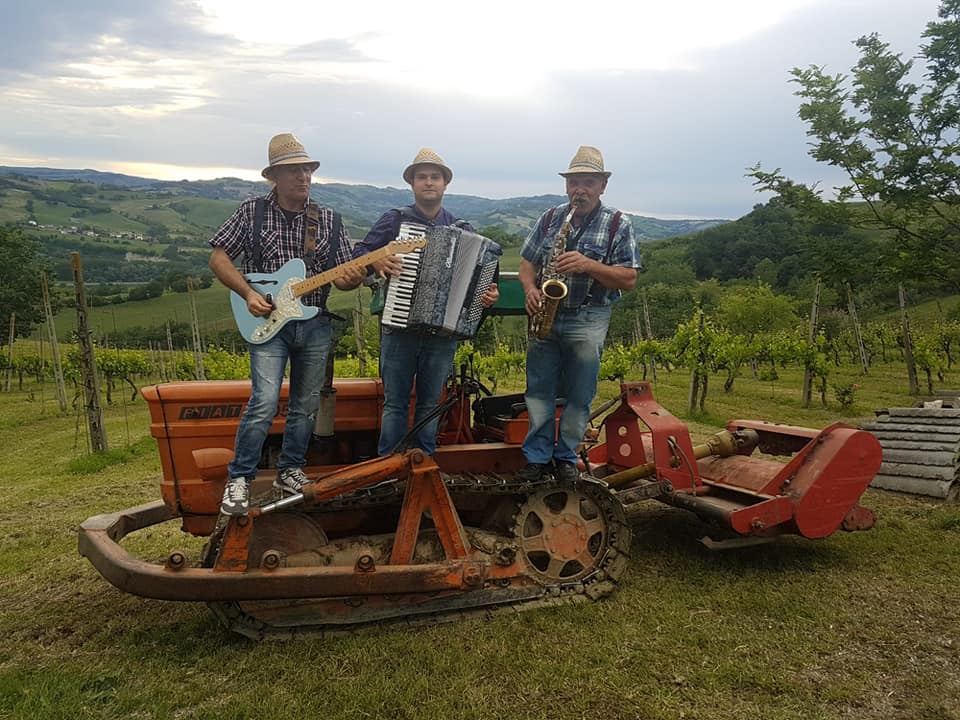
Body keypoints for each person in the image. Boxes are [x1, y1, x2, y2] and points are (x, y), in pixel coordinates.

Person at [209, 133, 366, 515]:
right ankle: (240, 478)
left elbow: (344, 277)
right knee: (263, 401)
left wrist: (354, 277)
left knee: (305, 406)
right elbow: (218, 258)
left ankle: (290, 469)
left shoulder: (328, 219)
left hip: (313, 321)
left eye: (307, 170)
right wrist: (248, 293)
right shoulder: (252, 212)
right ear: (274, 177)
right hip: (267, 321)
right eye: (294, 170)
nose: (303, 177)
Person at [352, 148, 499, 457]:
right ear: (412, 183)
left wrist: (486, 296)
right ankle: (389, 464)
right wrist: (378, 261)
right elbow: (359, 252)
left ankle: (423, 464)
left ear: (445, 183)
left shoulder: (462, 229)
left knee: (431, 403)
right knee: (395, 403)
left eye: (435, 177)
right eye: (422, 177)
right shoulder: (395, 220)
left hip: (442, 334)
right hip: (399, 327)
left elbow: (479, 284)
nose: (428, 182)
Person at [517, 145, 641, 482]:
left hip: (589, 316)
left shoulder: (618, 223)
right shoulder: (550, 218)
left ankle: (566, 458)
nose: (579, 190)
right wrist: (529, 289)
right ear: (566, 185)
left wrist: (588, 264)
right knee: (538, 390)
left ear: (603, 186)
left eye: (588, 182)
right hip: (545, 313)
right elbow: (527, 263)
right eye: (574, 183)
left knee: (580, 394)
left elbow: (629, 279)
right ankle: (537, 458)